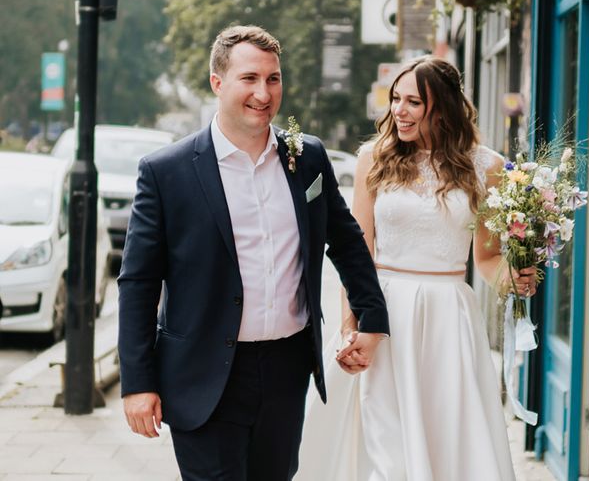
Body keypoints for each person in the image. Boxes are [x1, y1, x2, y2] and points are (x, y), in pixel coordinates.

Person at [117, 24, 389, 481]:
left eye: (273, 78)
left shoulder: (308, 159)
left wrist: (372, 319)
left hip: (286, 370)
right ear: (217, 82)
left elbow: (345, 240)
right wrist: (138, 382)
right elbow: (139, 282)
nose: (264, 93)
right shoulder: (166, 172)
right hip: (202, 374)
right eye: (250, 78)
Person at [296, 56, 537, 480]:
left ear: (441, 108)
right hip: (382, 310)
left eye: (412, 102)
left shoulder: (488, 167)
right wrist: (352, 326)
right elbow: (359, 249)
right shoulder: (375, 157)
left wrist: (514, 278)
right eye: (395, 99)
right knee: (382, 439)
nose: (398, 111)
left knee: (446, 438)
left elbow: (485, 258)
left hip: (448, 319)